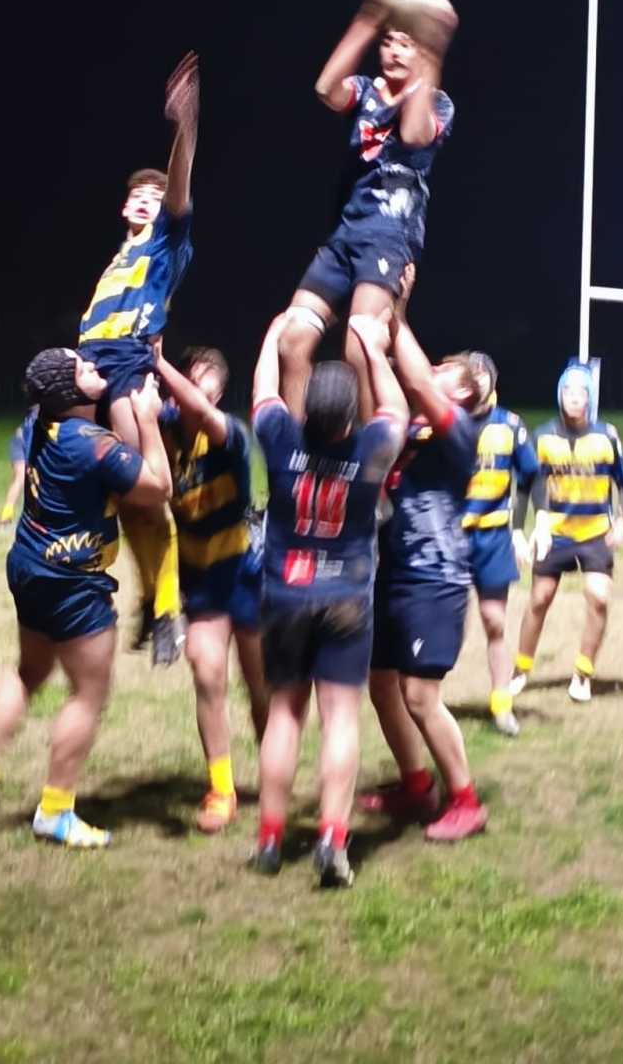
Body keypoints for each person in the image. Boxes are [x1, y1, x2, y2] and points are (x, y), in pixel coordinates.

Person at [0, 350, 173, 848]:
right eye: (83, 369)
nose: (94, 368)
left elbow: (58, 387)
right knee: (89, 693)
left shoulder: (40, 422)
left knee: (29, 670)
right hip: (72, 581)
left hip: (29, 564)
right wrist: (148, 419)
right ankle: (55, 811)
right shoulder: (90, 445)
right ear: (70, 393)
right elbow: (158, 487)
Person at [249, 311, 407, 886]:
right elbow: (396, 411)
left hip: (285, 594)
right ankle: (332, 839)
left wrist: (274, 336)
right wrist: (373, 350)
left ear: (310, 409)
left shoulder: (281, 439)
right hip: (346, 597)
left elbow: (264, 394)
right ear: (348, 417)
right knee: (340, 718)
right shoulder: (370, 449)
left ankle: (270, 839)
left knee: (284, 715)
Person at [275, 0, 455, 419]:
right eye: (388, 42)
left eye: (406, 44)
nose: (394, 51)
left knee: (360, 345)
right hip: (345, 234)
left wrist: (432, 50)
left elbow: (413, 135)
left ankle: (373, 451)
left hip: (389, 238)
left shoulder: (437, 102)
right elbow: (325, 89)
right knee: (292, 337)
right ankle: (296, 451)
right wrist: (369, 18)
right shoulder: (364, 91)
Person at [76, 51, 198, 666]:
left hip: (125, 365)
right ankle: (145, 599)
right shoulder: (116, 259)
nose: (149, 200)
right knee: (114, 500)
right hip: (87, 366)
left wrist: (184, 127)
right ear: (125, 207)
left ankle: (168, 609)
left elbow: (179, 189)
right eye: (139, 195)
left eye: (156, 194)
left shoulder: (167, 243)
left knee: (146, 492)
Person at [359, 294, 490, 842]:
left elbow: (413, 380)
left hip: (433, 577)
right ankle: (417, 785)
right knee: (380, 683)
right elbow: (383, 397)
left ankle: (466, 800)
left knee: (419, 694)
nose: (432, 370)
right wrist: (373, 348)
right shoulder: (413, 430)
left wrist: (398, 314)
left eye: (445, 371)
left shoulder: (460, 431)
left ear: (464, 392)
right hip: (392, 572)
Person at [154, 347, 270, 833]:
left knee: (260, 684)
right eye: (188, 379)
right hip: (200, 581)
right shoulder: (162, 430)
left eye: (202, 385)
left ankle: (274, 776)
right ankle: (221, 789)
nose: (191, 394)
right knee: (207, 672)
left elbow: (200, 413)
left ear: (217, 394)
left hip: (245, 572)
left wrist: (157, 363)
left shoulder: (229, 434)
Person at [510, 364, 623, 704]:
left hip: (595, 533)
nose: (575, 398)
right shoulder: (543, 437)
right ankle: (521, 669)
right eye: (568, 391)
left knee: (599, 597)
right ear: (560, 395)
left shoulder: (607, 436)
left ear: (590, 398)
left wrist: (622, 519)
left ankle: (582, 673)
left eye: (581, 392)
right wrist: (519, 529)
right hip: (556, 533)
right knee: (539, 599)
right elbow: (525, 486)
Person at [460, 353, 538, 736]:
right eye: (470, 374)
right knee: (445, 625)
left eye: (483, 374)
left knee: (494, 621)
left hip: (492, 537)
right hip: (450, 540)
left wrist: (520, 529)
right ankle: (422, 702)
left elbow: (531, 475)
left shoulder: (509, 425)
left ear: (493, 380)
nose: (477, 380)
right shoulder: (445, 420)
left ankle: (501, 705)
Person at [0, 406, 38, 524]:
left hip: (31, 443)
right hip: (20, 443)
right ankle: (6, 515)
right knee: (20, 477)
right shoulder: (41, 414)